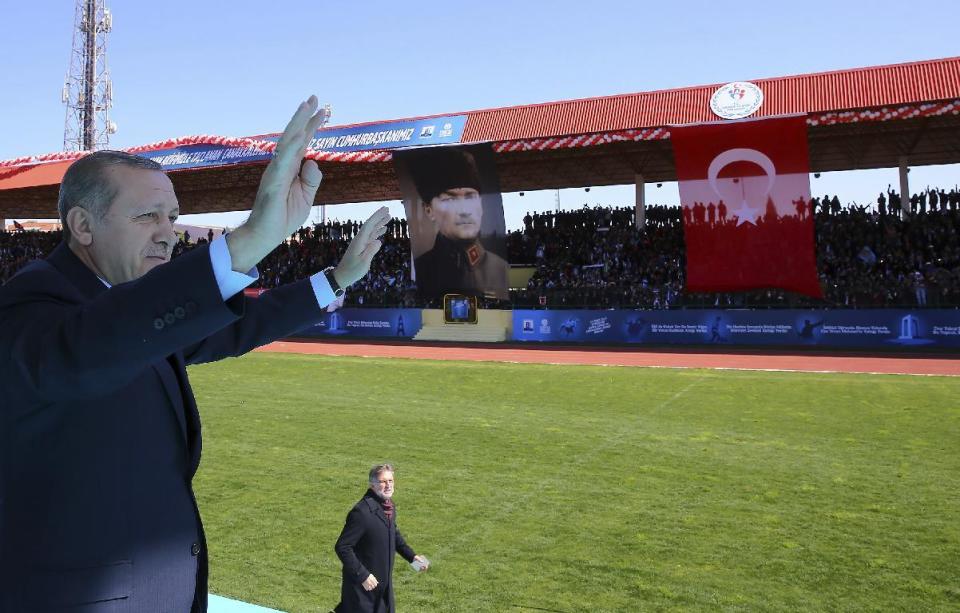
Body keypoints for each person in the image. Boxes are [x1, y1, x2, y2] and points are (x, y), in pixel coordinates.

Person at [0, 96, 391, 612]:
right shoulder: (33, 305)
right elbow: (93, 346)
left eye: (173, 217)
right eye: (146, 217)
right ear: (83, 225)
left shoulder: (128, 305)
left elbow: (234, 325)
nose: (169, 234)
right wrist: (252, 238)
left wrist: (336, 280)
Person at [408, 148, 508, 300]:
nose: (464, 211)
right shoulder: (422, 268)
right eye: (450, 199)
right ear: (429, 210)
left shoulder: (501, 268)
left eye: (470, 197)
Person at [334, 464, 428, 613]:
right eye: (383, 481)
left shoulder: (389, 507)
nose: (388, 485)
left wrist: (412, 557)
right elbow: (342, 547)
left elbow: (393, 534)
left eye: (391, 481)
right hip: (363, 588)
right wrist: (362, 575)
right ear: (372, 485)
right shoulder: (362, 512)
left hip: (384, 586)